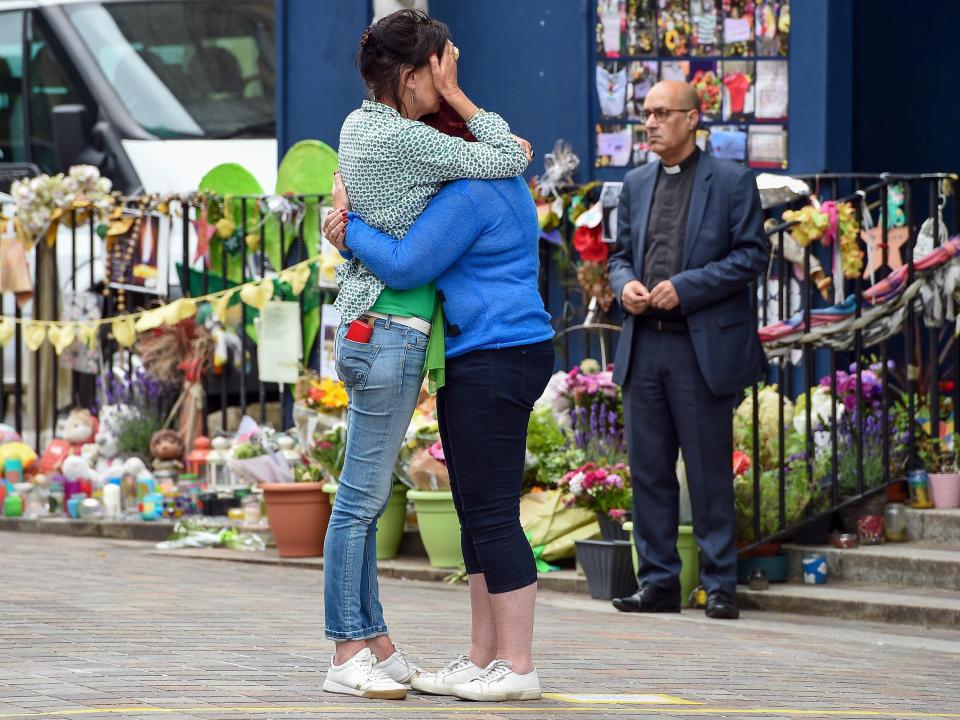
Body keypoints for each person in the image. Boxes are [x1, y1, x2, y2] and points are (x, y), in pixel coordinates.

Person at [321, 9, 532, 701]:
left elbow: (499, 157)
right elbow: (507, 156)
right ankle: (348, 648)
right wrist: (466, 103)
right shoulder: (404, 139)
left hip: (386, 328)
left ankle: (374, 642)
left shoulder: (367, 127)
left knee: (369, 495)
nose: (446, 90)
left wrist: (347, 231)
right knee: (359, 501)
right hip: (387, 326)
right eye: (440, 74)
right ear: (411, 76)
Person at [606, 80, 769, 619]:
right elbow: (619, 256)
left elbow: (752, 256)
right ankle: (658, 585)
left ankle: (721, 585)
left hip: (698, 350)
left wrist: (688, 286)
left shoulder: (731, 181)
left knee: (707, 472)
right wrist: (624, 284)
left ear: (693, 119)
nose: (649, 123)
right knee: (649, 472)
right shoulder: (634, 182)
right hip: (644, 346)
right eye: (645, 114)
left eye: (661, 113)